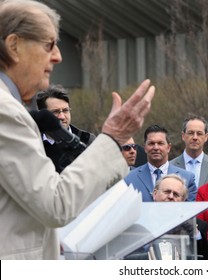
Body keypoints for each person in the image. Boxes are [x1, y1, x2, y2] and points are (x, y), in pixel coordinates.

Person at [0, 0, 155, 259]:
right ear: (14, 46)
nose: (58, 56)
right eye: (49, 44)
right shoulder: (6, 112)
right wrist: (113, 137)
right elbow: (56, 204)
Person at [124, 124, 197, 202]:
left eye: (160, 143)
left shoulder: (187, 178)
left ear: (168, 147)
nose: (156, 147)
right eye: (151, 143)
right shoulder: (129, 178)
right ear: (145, 147)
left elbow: (190, 211)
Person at [36, 85, 96, 172]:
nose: (62, 116)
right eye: (55, 112)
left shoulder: (87, 141)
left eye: (65, 110)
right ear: (43, 115)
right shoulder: (33, 144)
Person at [152, 174, 208, 260]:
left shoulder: (197, 225)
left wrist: (196, 234)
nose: (170, 197)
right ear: (155, 194)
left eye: (176, 194)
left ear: (183, 200)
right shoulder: (140, 223)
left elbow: (207, 259)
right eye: (167, 192)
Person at [170, 114, 208, 188]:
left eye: (199, 133)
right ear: (183, 136)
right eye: (191, 133)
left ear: (206, 137)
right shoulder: (170, 166)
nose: (195, 137)